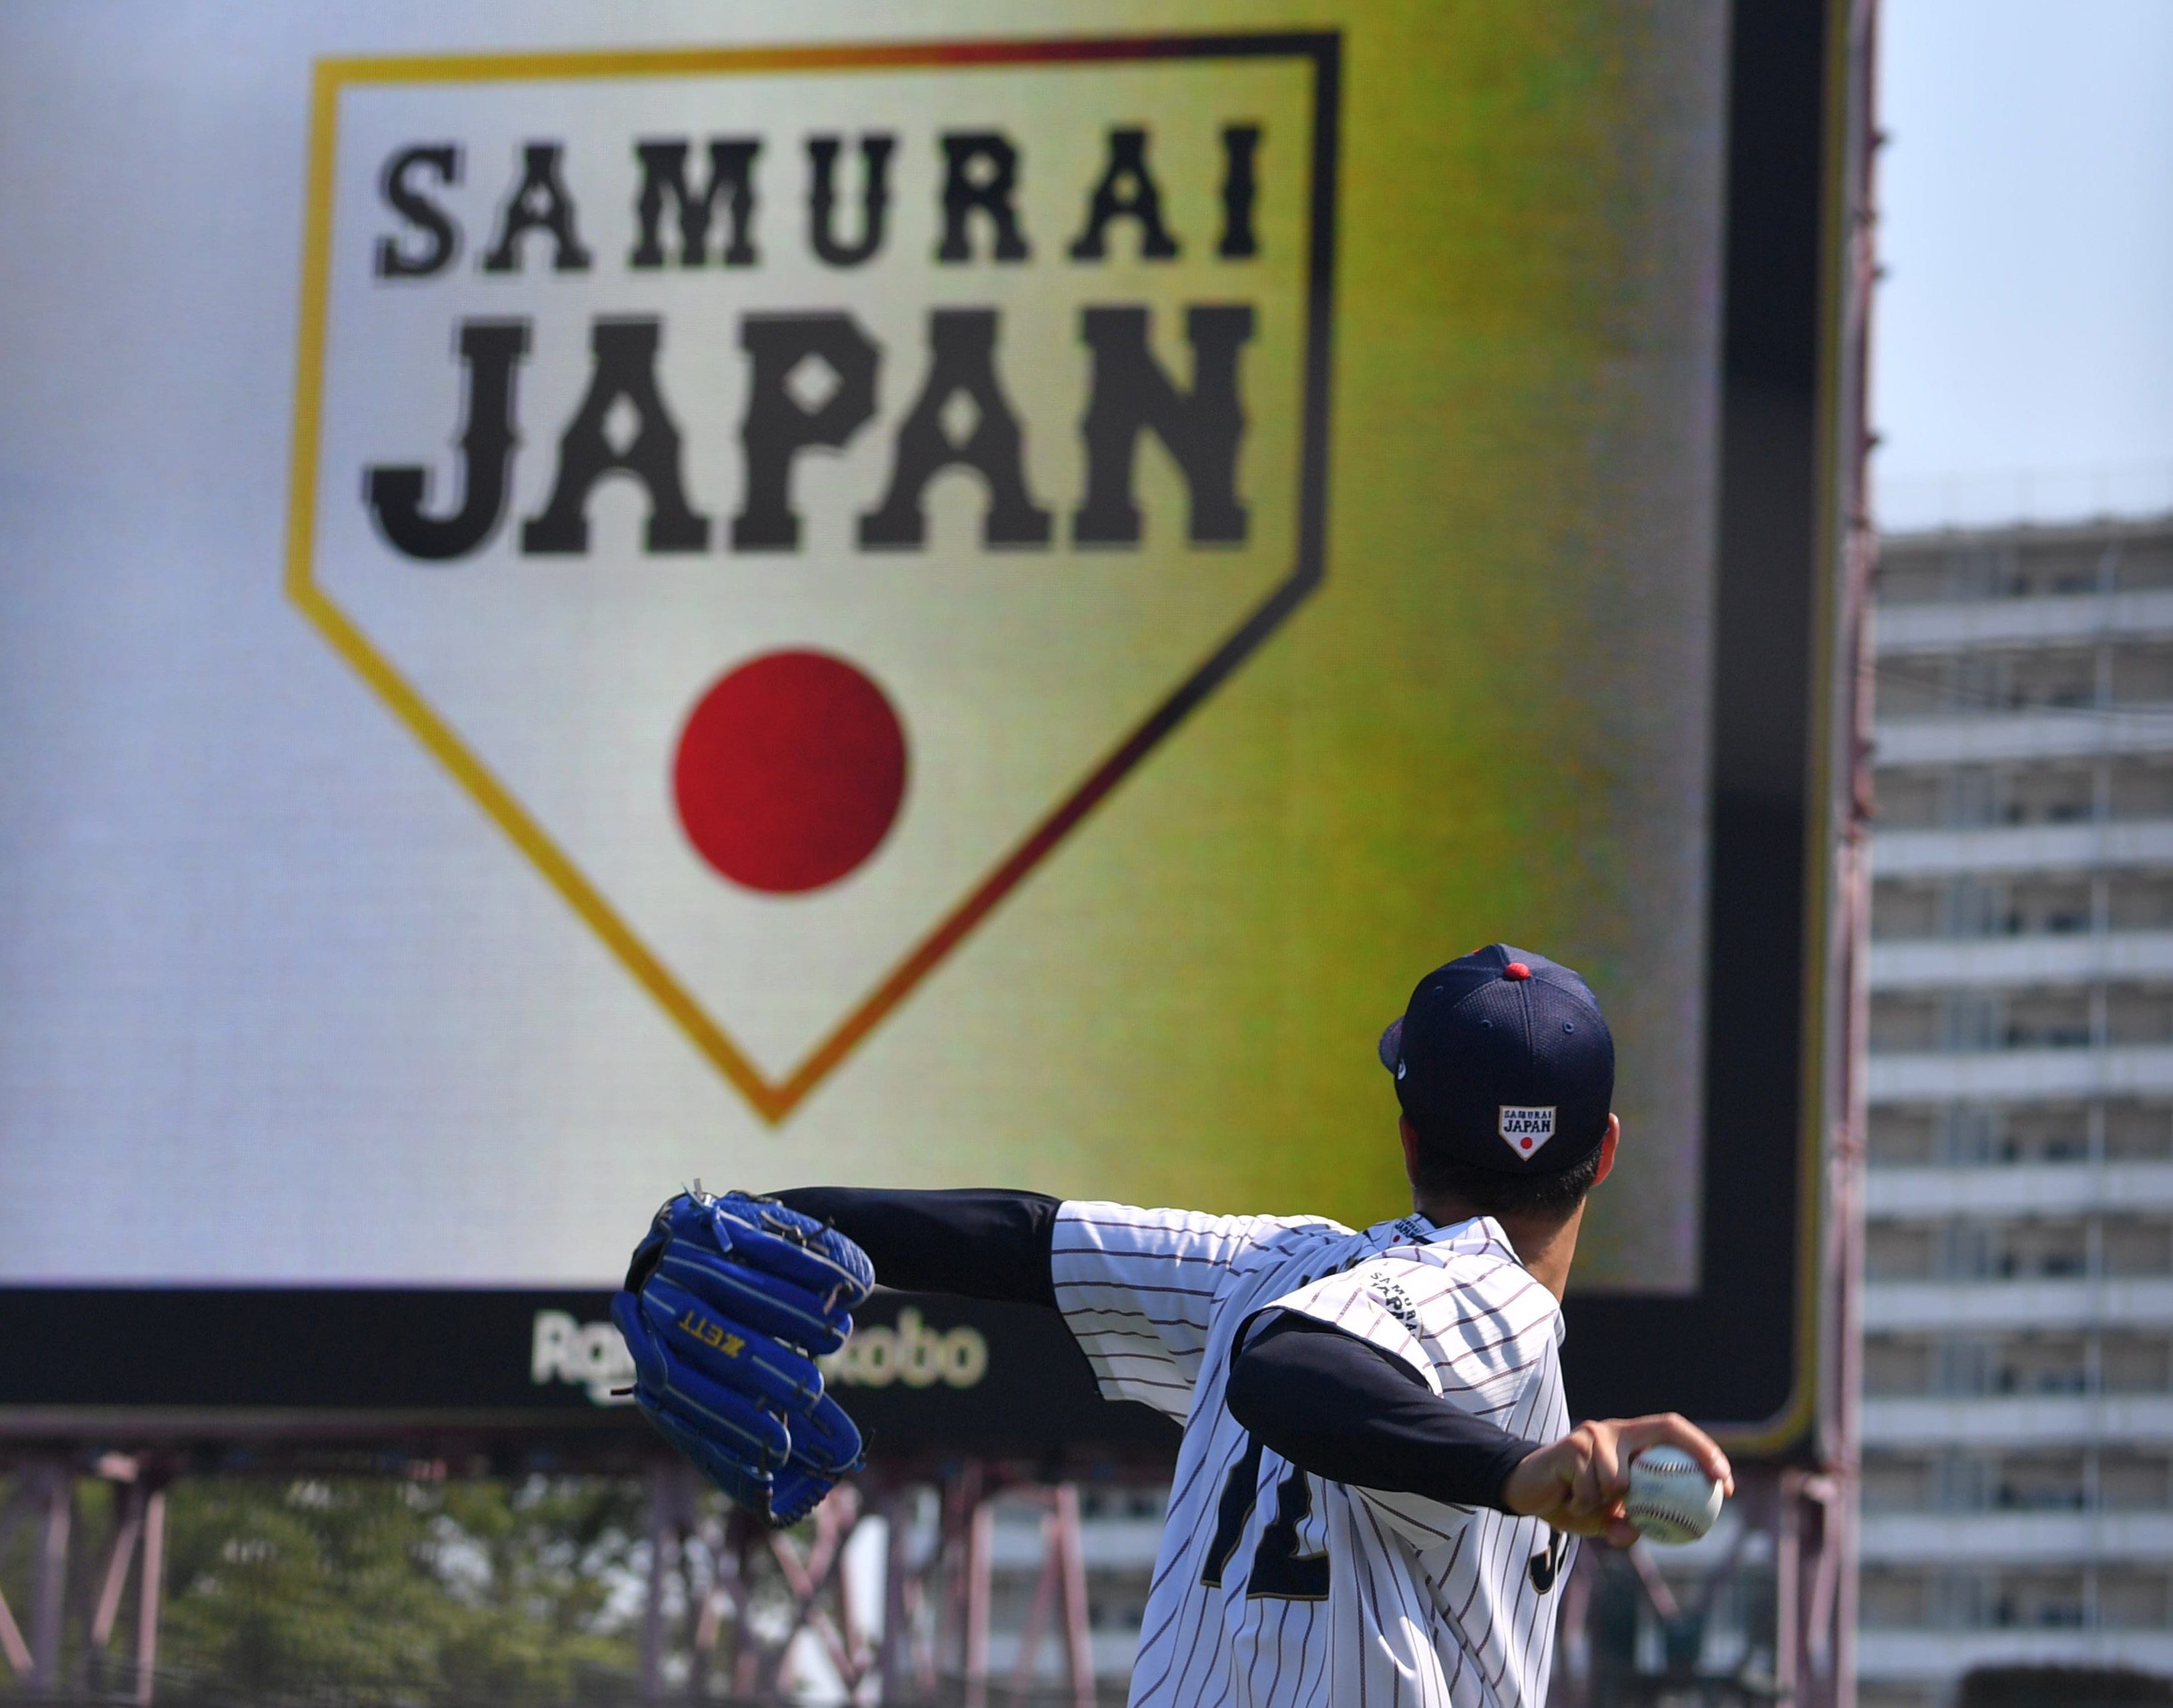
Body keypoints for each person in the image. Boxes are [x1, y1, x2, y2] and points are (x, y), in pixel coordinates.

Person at [773, 943, 1733, 1707]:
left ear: (1406, 1134)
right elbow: (1290, 1365)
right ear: (1602, 1151)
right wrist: (1508, 1469)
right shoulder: (1496, 1296)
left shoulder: (1274, 1265)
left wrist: (762, 1221)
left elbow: (1022, 1241)